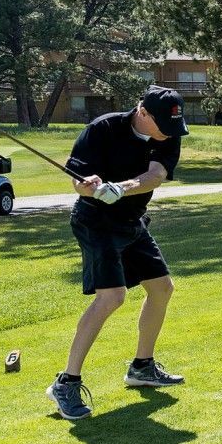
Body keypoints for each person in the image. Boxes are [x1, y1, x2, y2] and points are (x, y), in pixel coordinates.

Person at [46, 86, 190, 421]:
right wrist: (90, 185)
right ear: (143, 112)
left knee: (161, 288)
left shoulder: (168, 133)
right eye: (163, 127)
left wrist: (120, 188)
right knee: (111, 297)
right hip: (95, 221)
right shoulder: (103, 128)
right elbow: (79, 179)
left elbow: (155, 175)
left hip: (131, 221)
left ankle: (142, 367)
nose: (169, 135)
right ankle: (66, 382)